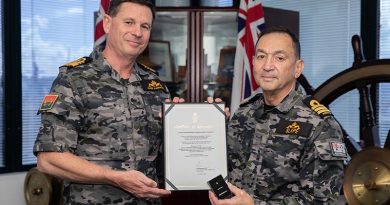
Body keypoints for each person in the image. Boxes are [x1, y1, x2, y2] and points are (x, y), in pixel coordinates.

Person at [33, 0, 178, 204]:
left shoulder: (156, 86)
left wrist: (191, 124)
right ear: (108, 23)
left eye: (145, 26)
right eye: (129, 22)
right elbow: (48, 160)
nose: (137, 32)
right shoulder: (74, 81)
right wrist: (114, 178)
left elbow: (168, 156)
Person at [209, 27, 348, 205]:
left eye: (279, 58)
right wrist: (208, 127)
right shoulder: (243, 114)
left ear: (298, 68)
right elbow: (223, 168)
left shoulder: (320, 124)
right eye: (261, 56)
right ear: (253, 62)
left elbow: (322, 200)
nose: (267, 66)